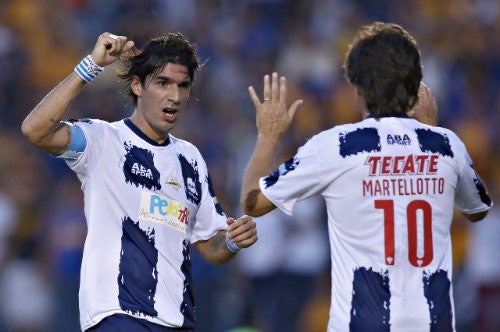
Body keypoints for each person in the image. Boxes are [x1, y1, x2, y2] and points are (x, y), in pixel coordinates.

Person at [240, 22, 493, 332]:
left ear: (357, 90)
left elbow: (253, 203)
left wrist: (268, 135)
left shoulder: (335, 146)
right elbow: (478, 210)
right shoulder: (446, 145)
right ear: (416, 88)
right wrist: (431, 130)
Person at [22, 31, 257, 332]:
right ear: (137, 85)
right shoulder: (104, 140)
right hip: (118, 316)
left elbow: (211, 248)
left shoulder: (190, 159)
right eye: (162, 83)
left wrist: (233, 241)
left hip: (177, 322)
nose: (174, 96)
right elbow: (35, 129)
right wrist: (91, 65)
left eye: (182, 85)